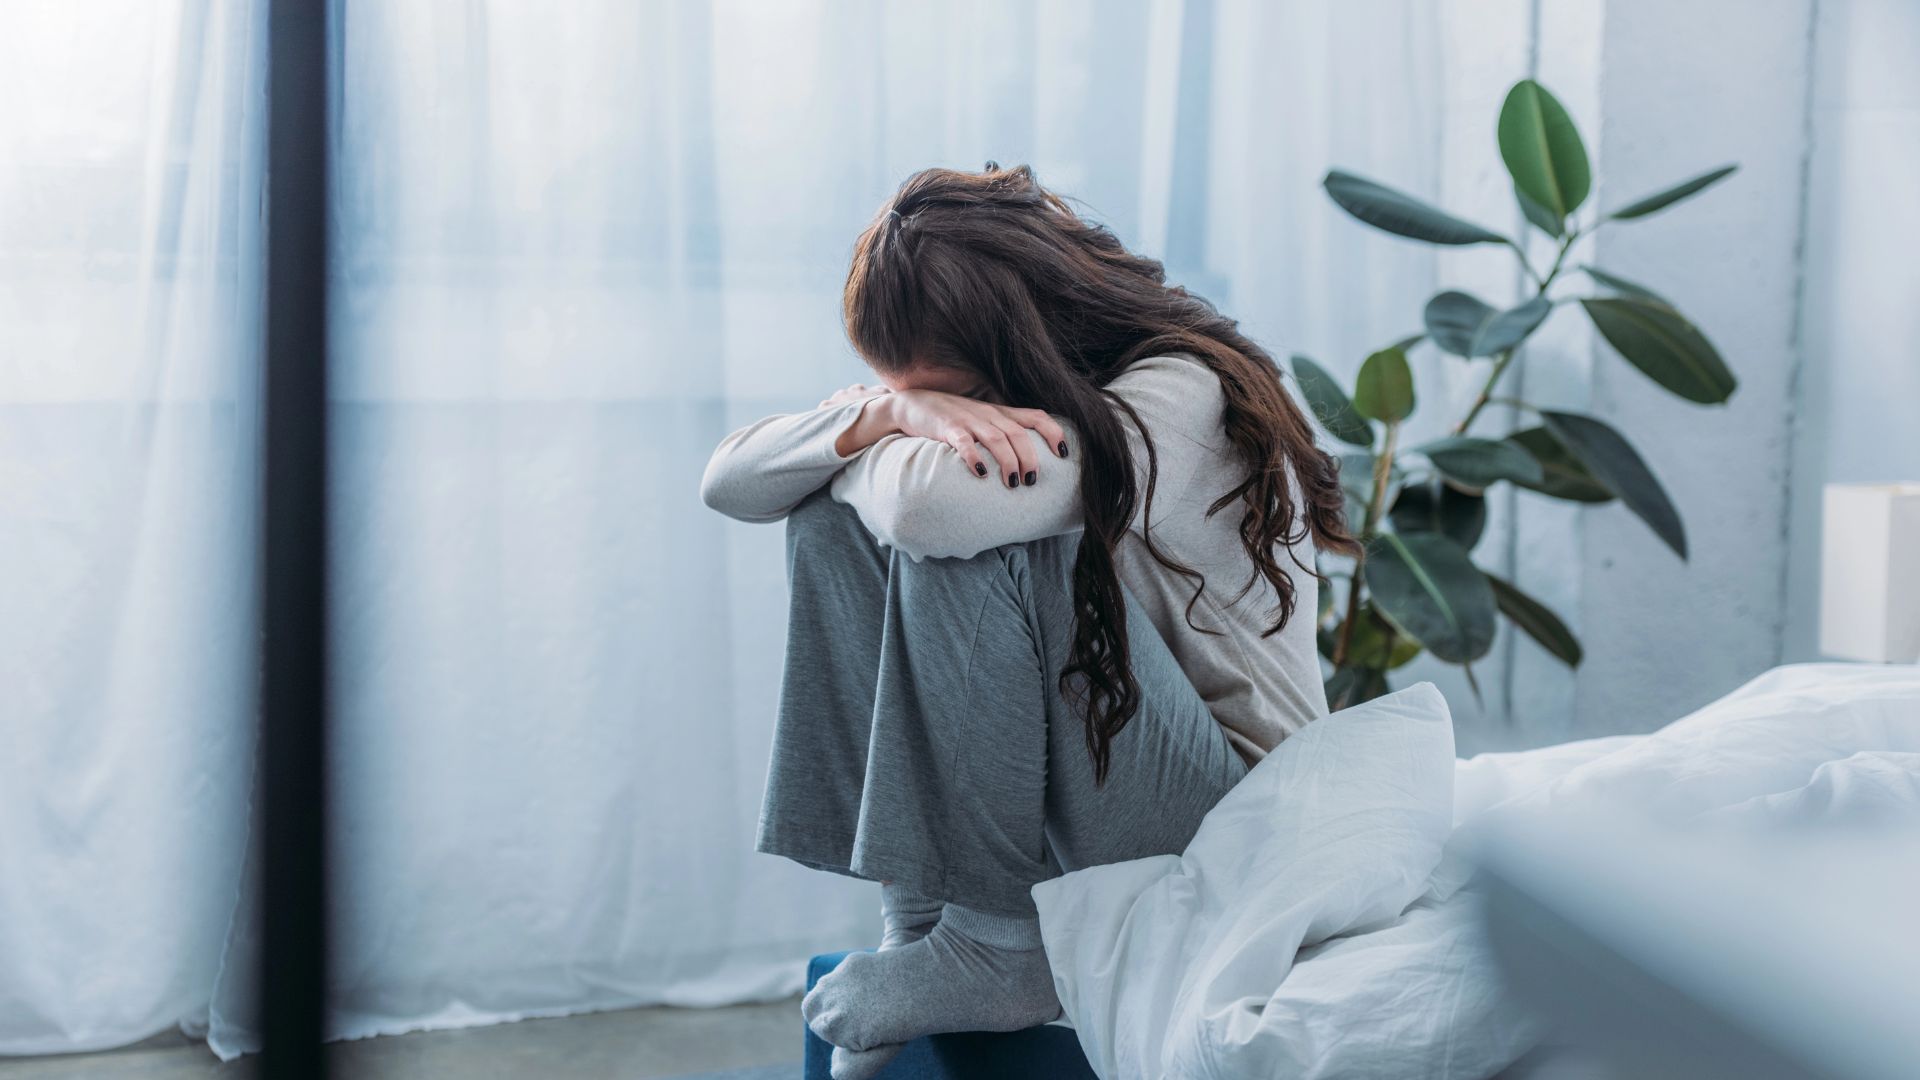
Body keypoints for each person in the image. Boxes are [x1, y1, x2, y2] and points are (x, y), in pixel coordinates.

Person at [700, 163, 1354, 1079]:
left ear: (1019, 345)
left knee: (995, 532)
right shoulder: (1006, 394)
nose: (945, 416)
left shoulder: (1183, 393)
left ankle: (1000, 943)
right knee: (824, 511)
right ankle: (925, 918)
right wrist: (889, 415)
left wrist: (883, 435)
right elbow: (729, 480)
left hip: (1233, 814)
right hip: (1115, 781)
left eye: (949, 392)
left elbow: (938, 516)